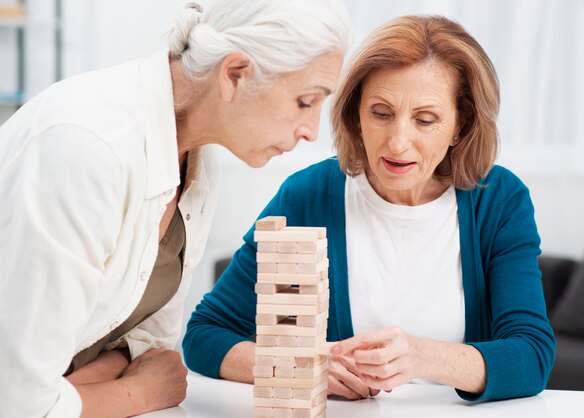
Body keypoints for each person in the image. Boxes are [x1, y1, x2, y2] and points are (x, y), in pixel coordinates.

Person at [0, 0, 351, 416]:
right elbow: (19, 402)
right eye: (306, 101)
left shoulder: (198, 160)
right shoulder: (89, 147)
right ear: (234, 75)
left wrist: (80, 390)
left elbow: (155, 356)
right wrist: (135, 394)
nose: (311, 132)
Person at [183, 15, 556, 402]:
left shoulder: (499, 199)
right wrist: (303, 367)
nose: (397, 142)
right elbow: (204, 336)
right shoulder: (308, 195)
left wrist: (422, 356)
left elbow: (532, 356)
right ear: (356, 115)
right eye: (381, 113)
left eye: (425, 120)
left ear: (460, 127)